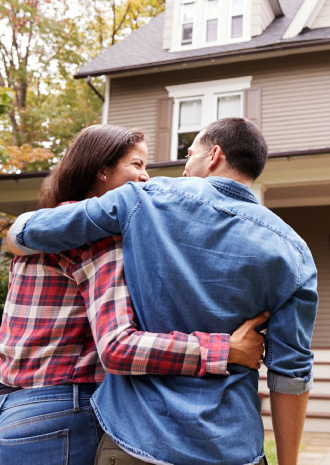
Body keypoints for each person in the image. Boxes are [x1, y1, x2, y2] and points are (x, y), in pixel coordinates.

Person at [8, 117, 317, 465]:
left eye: (189, 154)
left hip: (139, 440)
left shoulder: (143, 201)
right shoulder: (295, 251)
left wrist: (15, 234)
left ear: (213, 155)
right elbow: (291, 373)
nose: (182, 168)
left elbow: (28, 232)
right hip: (232, 445)